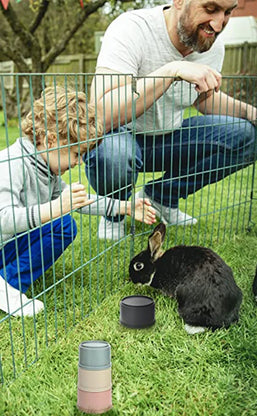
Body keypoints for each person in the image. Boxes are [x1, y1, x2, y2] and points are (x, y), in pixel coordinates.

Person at [85, 0, 257, 240]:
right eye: (210, 9)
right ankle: (114, 213)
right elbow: (100, 113)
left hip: (168, 139)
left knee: (249, 135)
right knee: (114, 154)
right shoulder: (131, 29)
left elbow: (204, 100)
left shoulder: (210, 44)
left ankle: (160, 196)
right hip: (119, 137)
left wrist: (250, 112)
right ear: (179, 1)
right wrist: (171, 71)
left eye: (227, 12)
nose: (218, 24)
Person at [0, 87, 156, 317]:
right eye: (76, 153)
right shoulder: (12, 163)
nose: (78, 162)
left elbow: (79, 202)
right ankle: (8, 285)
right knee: (62, 224)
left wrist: (124, 207)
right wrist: (55, 208)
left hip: (7, 245)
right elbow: (3, 220)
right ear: (51, 140)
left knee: (63, 224)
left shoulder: (46, 169)